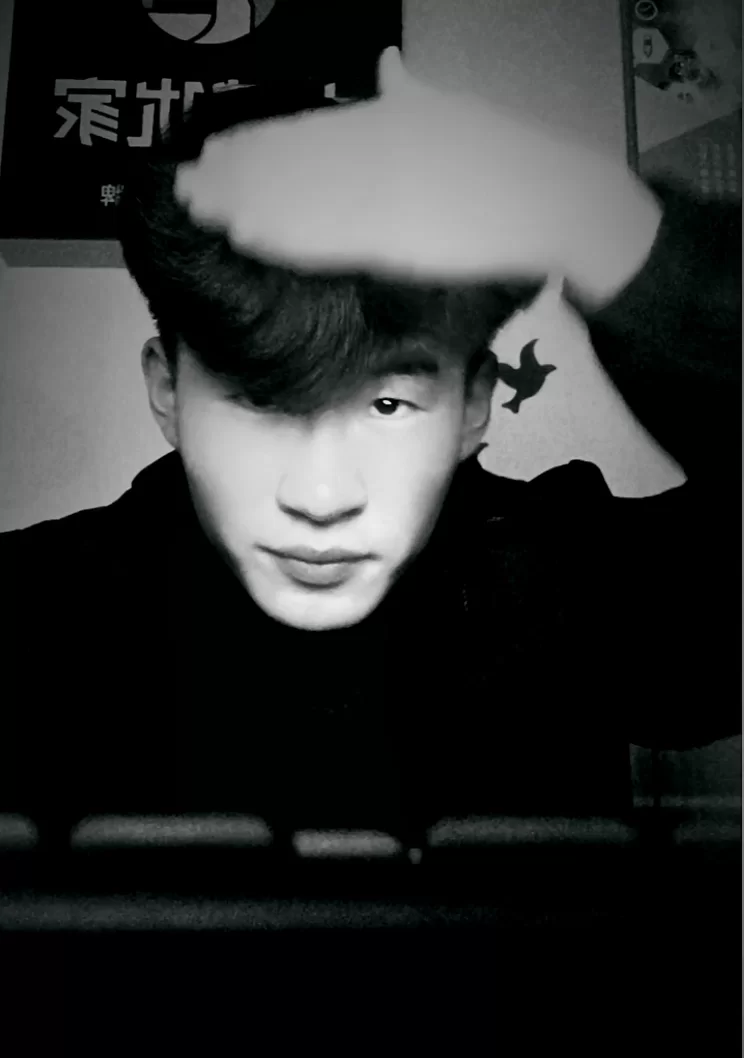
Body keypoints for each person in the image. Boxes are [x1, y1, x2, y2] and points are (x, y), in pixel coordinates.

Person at [1, 49, 739, 849]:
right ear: (167, 391)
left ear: (473, 406)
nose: (321, 497)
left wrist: (608, 226)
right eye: (262, 401)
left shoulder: (567, 581)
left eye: (387, 404)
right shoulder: (29, 615)